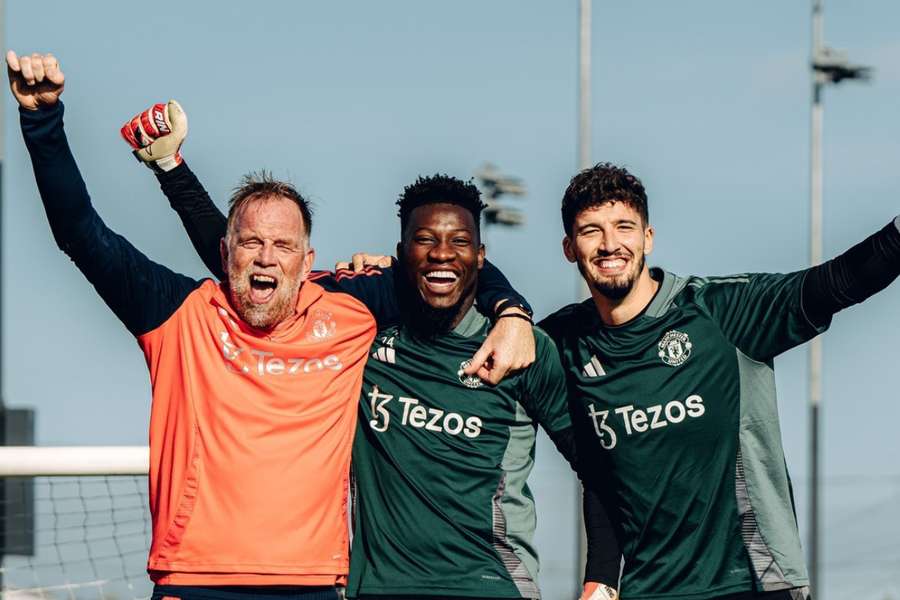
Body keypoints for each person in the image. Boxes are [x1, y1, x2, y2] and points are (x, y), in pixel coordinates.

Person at [7, 50, 534, 600]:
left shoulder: (351, 308)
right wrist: (42, 120)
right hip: (194, 581)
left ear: (308, 263)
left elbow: (447, 259)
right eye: (251, 243)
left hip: (314, 585)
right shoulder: (178, 314)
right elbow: (80, 232)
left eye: (282, 245)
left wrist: (512, 310)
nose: (265, 257)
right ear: (225, 252)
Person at [120, 102, 622, 600]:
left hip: (493, 588)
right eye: (424, 242)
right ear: (402, 254)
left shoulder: (518, 349)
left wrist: (602, 577)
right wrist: (172, 170)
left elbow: (597, 463)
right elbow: (251, 269)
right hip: (375, 589)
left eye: (459, 243)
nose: (442, 254)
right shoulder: (360, 327)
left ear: (481, 255)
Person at [539, 163, 900, 600]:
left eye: (623, 227)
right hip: (647, 590)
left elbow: (837, 283)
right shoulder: (563, 343)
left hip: (753, 583)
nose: (610, 244)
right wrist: (507, 312)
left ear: (648, 238)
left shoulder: (721, 313)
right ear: (569, 247)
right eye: (591, 231)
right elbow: (597, 473)